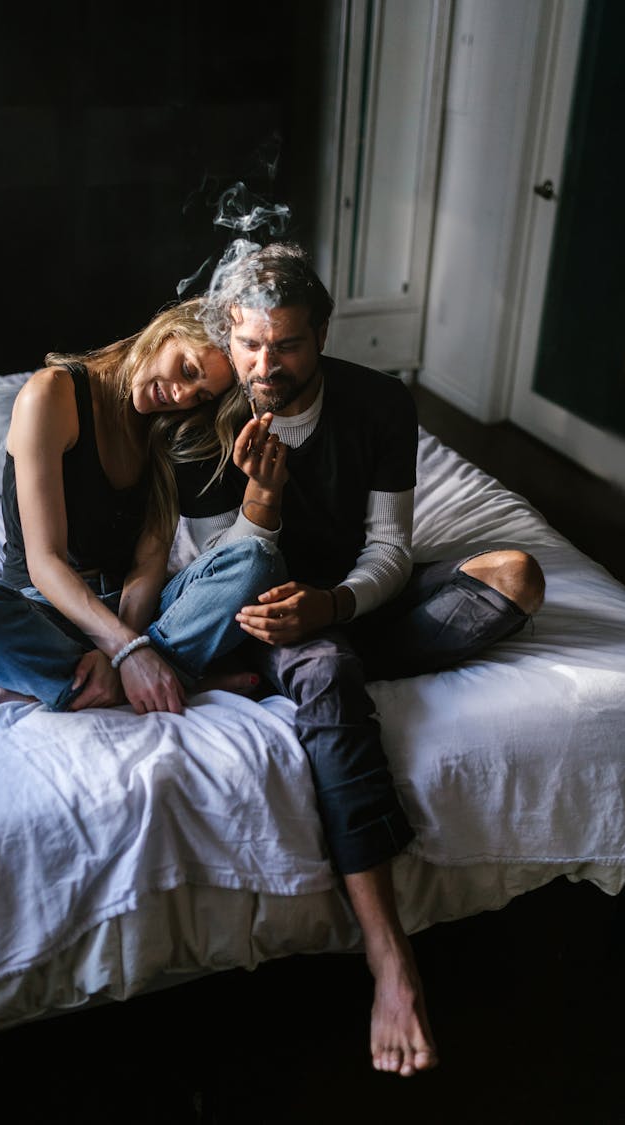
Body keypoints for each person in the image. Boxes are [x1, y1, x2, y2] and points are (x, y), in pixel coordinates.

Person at [176, 242, 546, 1076]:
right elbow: (216, 577)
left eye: (289, 345)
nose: (265, 365)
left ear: (324, 336)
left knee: (517, 576)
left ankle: (324, 668)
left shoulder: (380, 404)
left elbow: (389, 547)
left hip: (347, 600)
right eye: (248, 345)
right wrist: (263, 517)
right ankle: (390, 956)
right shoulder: (202, 421)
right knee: (327, 666)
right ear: (228, 338)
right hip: (265, 612)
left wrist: (336, 605)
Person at [0, 298, 286, 714]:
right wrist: (130, 651)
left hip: (135, 611)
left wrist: (128, 646)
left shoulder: (165, 430)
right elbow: (45, 562)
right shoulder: (51, 395)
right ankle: (169, 673)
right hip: (48, 608)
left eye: (199, 395)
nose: (181, 396)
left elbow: (148, 565)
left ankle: (77, 683)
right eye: (188, 370)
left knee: (256, 561)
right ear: (168, 332)